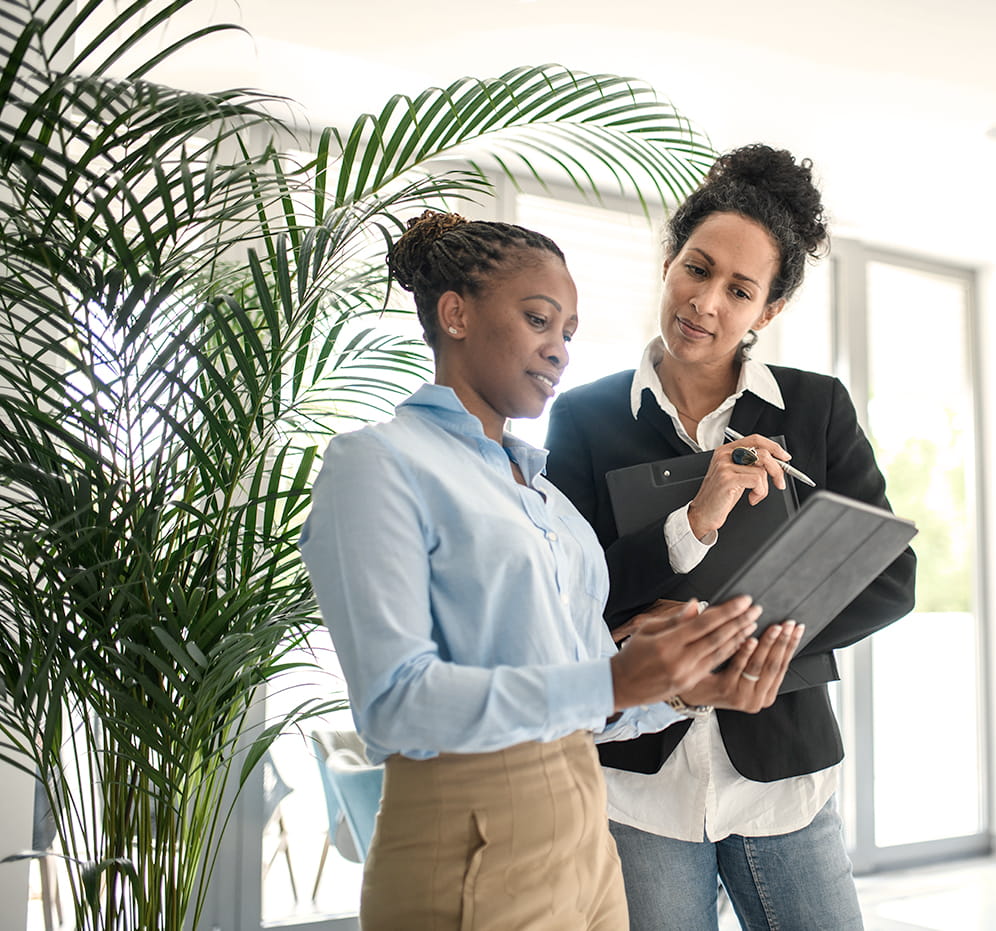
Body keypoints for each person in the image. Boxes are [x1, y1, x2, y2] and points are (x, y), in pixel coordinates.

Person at [298, 211, 802, 931]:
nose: (560, 350)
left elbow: (586, 700)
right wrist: (617, 677)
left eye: (568, 331)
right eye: (540, 320)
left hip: (588, 837)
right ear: (456, 313)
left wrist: (685, 689)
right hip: (467, 839)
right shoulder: (378, 463)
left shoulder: (552, 503)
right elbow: (393, 703)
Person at [543, 145, 918, 929]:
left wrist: (743, 645)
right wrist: (693, 522)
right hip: (639, 784)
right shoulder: (584, 418)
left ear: (767, 311)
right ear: (670, 260)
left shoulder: (816, 410)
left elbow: (889, 575)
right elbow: (568, 597)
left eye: (739, 289)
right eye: (696, 267)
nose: (706, 301)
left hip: (782, 769)